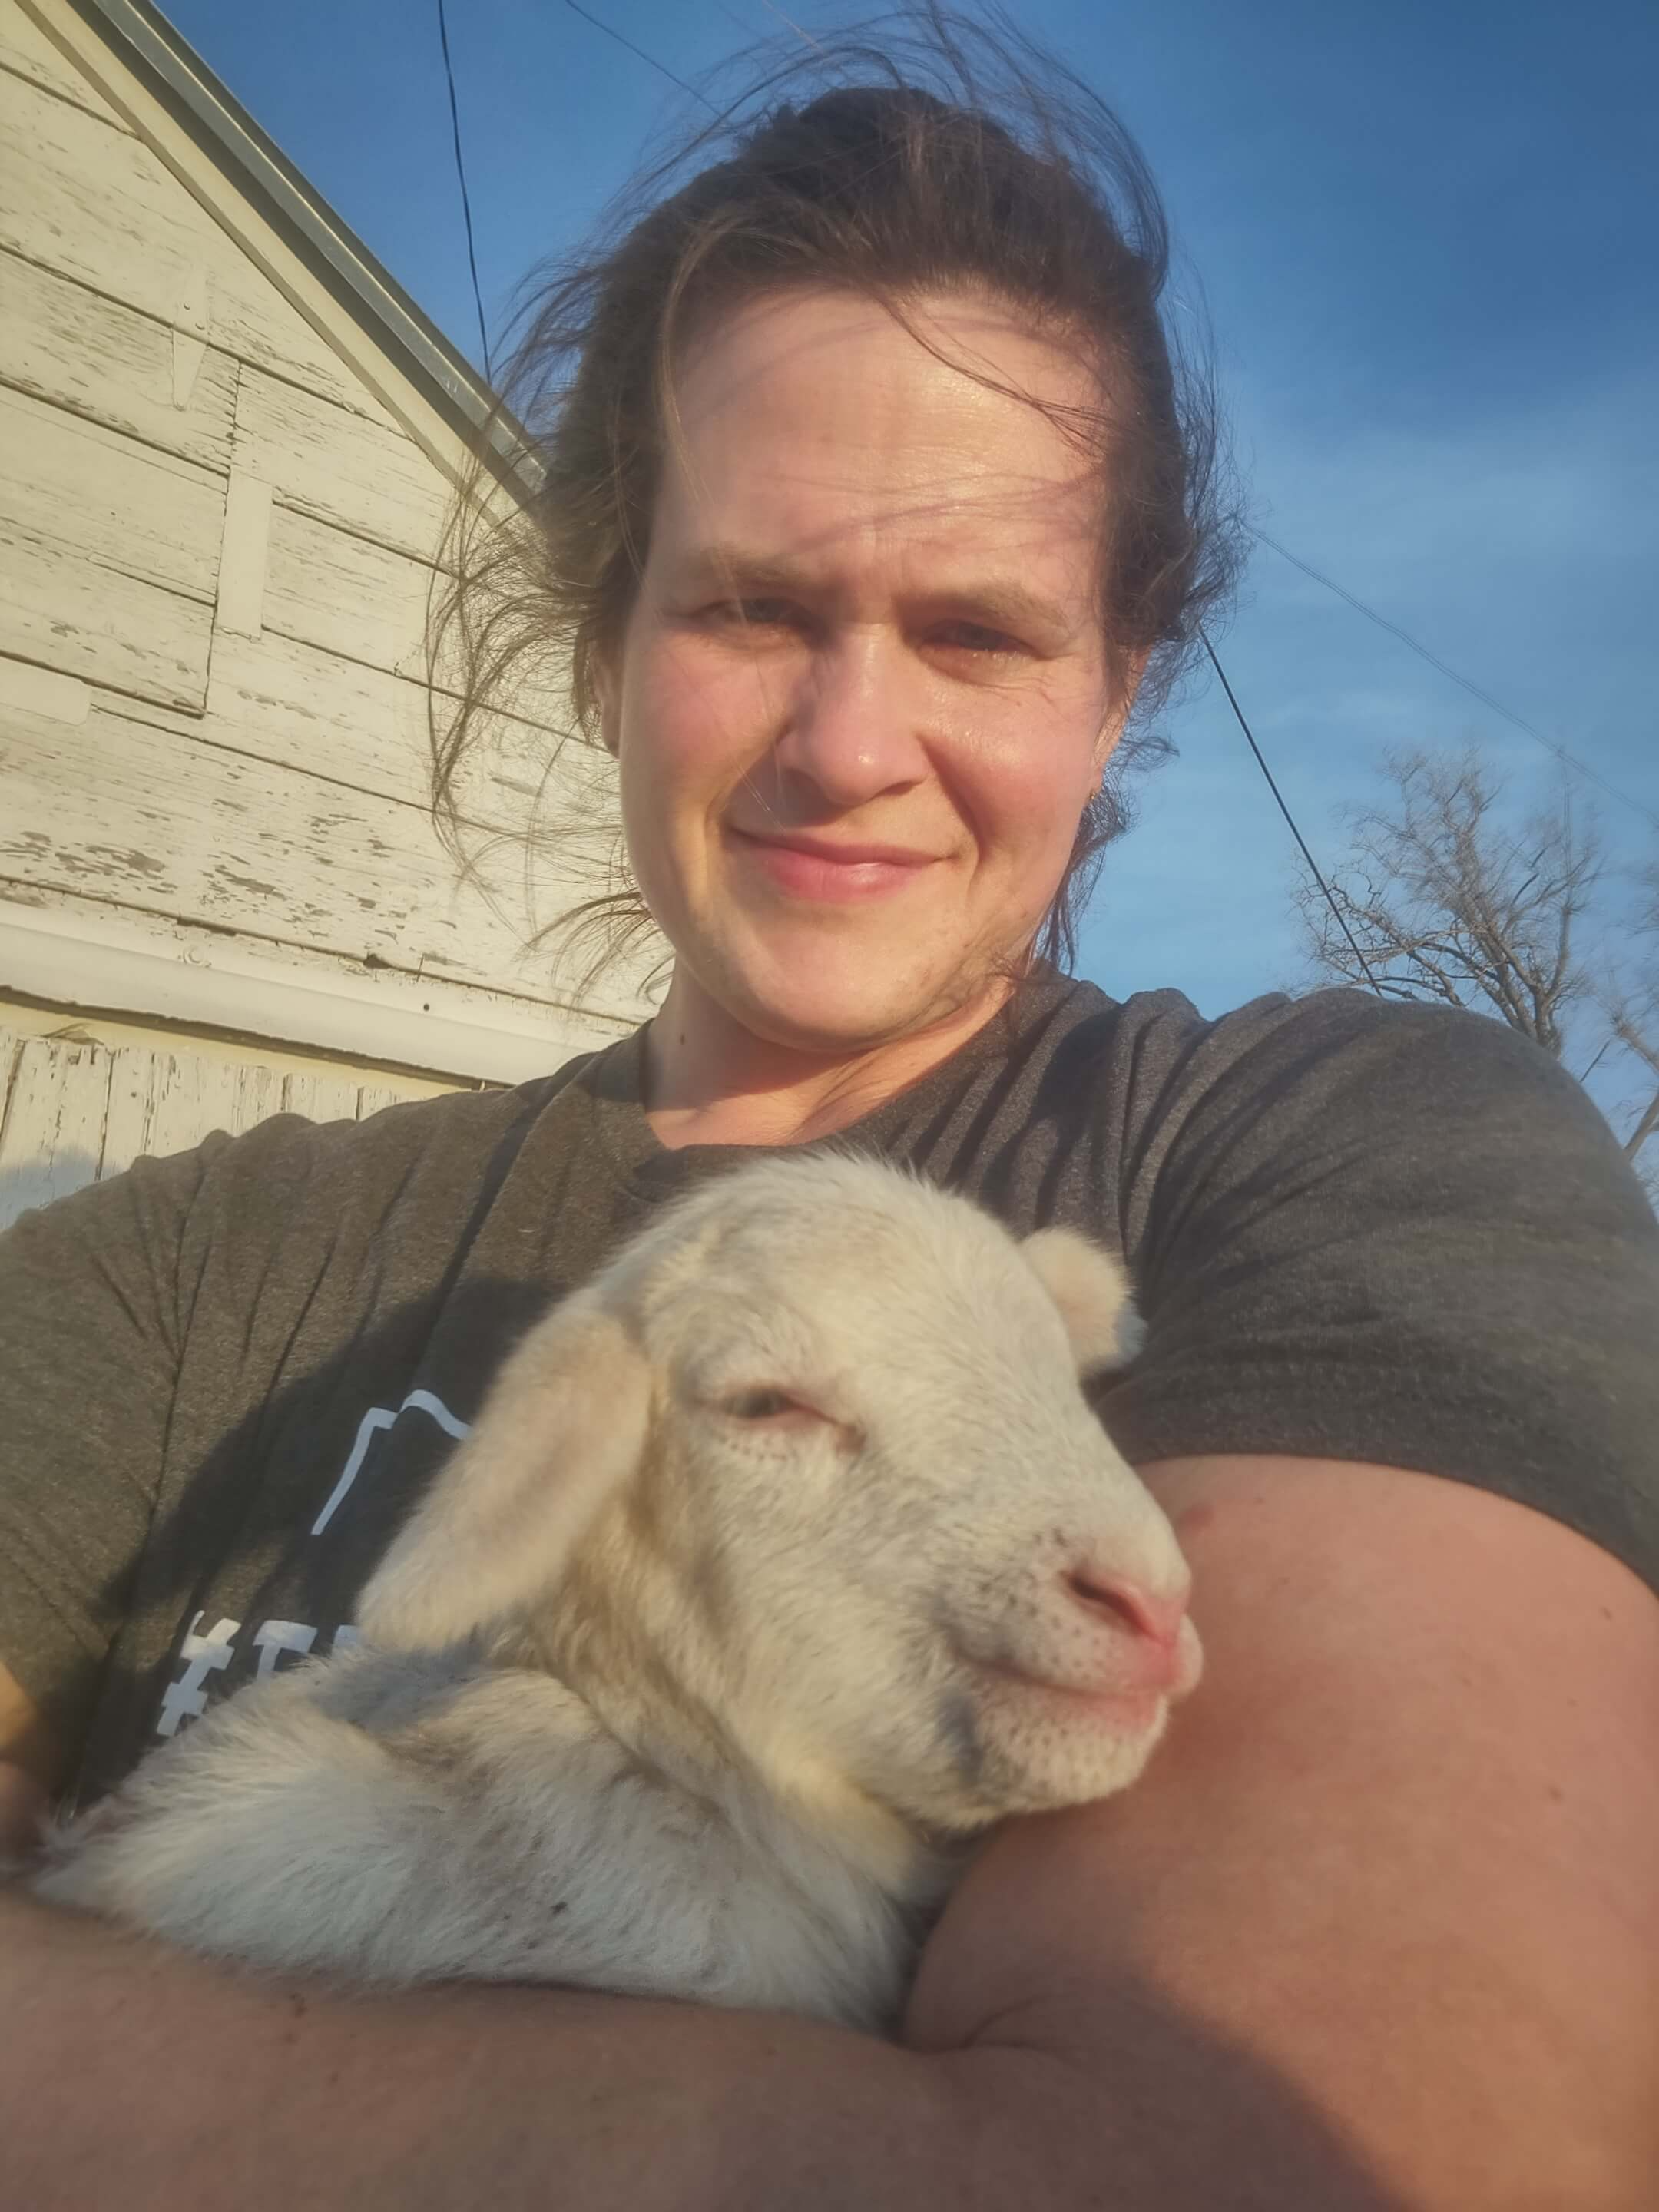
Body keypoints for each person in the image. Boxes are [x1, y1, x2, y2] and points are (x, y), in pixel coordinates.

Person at [3, 15, 1656, 2209]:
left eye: (975, 630)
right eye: (755, 606)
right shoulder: (188, 1268)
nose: (849, 741)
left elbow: (1283, 2151)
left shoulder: (1339, 1159)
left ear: (1116, 684)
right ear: (612, 635)